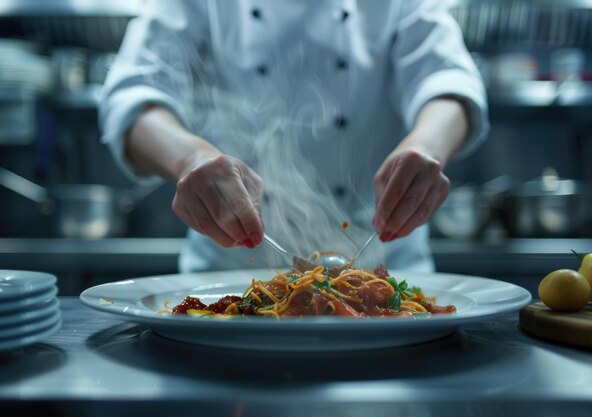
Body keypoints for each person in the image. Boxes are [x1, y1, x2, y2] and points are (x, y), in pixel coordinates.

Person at [99, 0, 489, 274]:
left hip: (387, 273)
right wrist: (190, 158)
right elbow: (135, 95)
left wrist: (424, 147)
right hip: (227, 280)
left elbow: (446, 79)